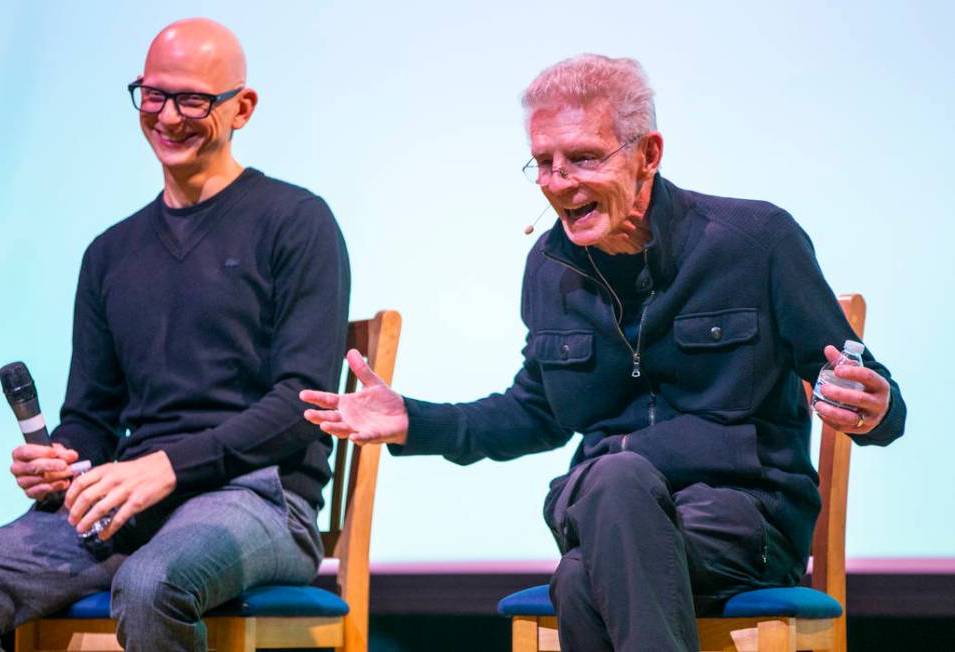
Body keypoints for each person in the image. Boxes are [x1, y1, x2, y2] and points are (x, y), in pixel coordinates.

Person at [300, 54, 906, 651]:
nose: (557, 181)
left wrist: (873, 406)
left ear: (648, 154)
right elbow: (536, 411)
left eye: (583, 158)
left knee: (578, 579)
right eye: (543, 162)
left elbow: (855, 378)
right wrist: (414, 419)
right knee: (612, 480)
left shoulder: (756, 242)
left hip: (742, 518)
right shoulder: (549, 270)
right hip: (598, 506)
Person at [0, 18, 350, 652]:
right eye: (153, 95)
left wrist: (168, 467)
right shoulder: (110, 253)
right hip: (126, 504)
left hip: (258, 497)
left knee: (152, 583)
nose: (169, 116)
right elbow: (92, 416)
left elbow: (302, 405)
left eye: (193, 100)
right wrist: (60, 459)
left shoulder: (297, 222)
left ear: (243, 108)